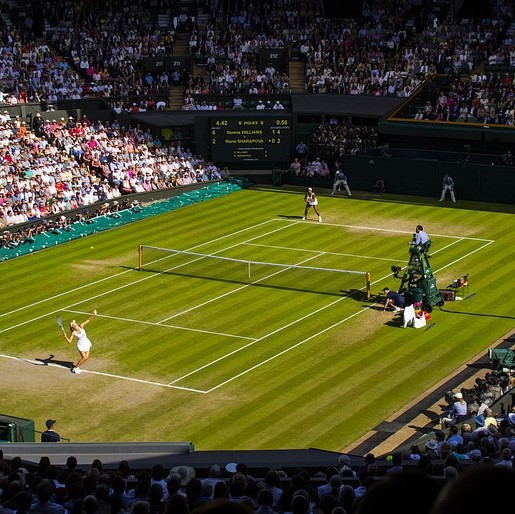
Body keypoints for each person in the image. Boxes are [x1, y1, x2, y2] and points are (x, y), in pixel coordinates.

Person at [63, 309, 97, 374]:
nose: (75, 323)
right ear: (73, 326)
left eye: (75, 322)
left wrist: (94, 315)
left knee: (87, 358)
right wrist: (65, 337)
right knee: (84, 357)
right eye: (74, 323)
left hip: (86, 343)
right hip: (80, 345)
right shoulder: (74, 333)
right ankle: (75, 368)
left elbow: (88, 320)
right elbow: (69, 341)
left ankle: (77, 367)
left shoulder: (81, 326)